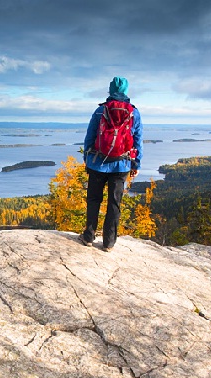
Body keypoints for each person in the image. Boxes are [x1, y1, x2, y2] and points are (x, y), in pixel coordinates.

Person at [79, 76, 143, 252]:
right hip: (121, 165)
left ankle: (89, 236)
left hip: (97, 163)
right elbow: (138, 141)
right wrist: (136, 164)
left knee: (94, 199)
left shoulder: (100, 111)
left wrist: (87, 157)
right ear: (126, 91)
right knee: (114, 203)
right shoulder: (134, 113)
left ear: (110, 90)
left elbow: (90, 137)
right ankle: (109, 242)